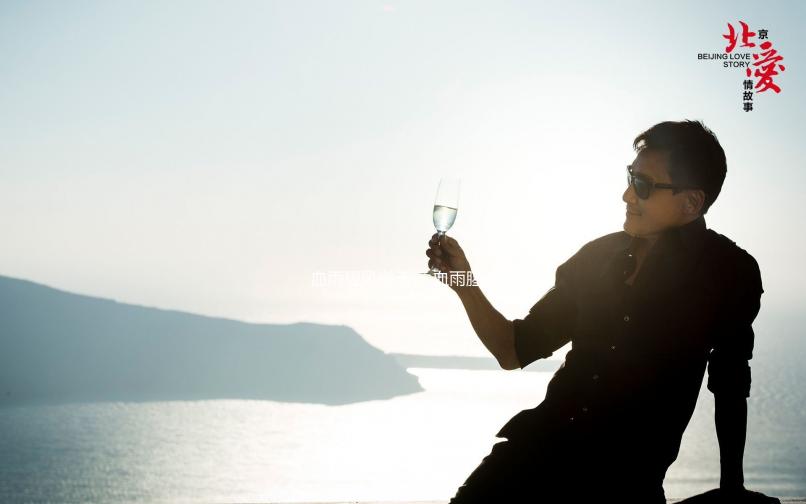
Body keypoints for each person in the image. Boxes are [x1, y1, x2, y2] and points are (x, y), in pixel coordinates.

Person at [425, 120, 780, 503]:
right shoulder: (596, 257)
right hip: (527, 459)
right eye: (631, 177)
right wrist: (462, 281)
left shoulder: (729, 272)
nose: (627, 195)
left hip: (620, 483)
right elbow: (513, 349)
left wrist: (732, 491)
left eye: (643, 185)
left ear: (691, 202)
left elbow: (729, 385)